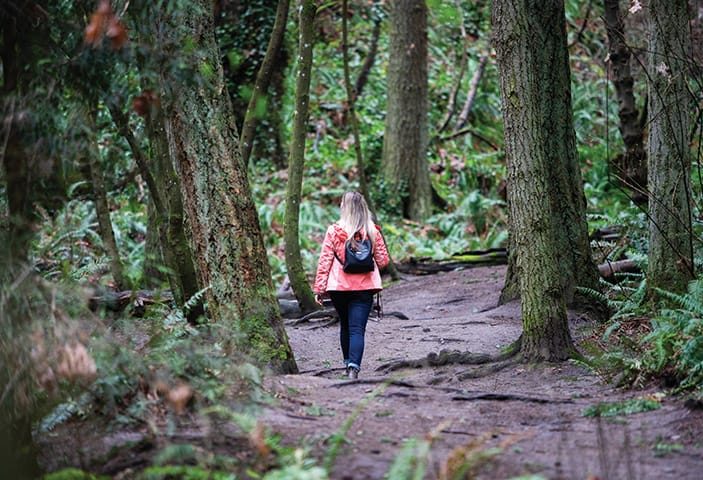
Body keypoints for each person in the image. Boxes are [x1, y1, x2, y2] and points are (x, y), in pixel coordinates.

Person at [313, 191, 390, 379]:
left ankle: (347, 361)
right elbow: (383, 261)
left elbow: (325, 261)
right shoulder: (372, 231)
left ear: (344, 208)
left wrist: (319, 289)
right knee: (357, 329)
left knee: (345, 325)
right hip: (364, 288)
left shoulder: (334, 231)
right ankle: (353, 369)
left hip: (339, 287)